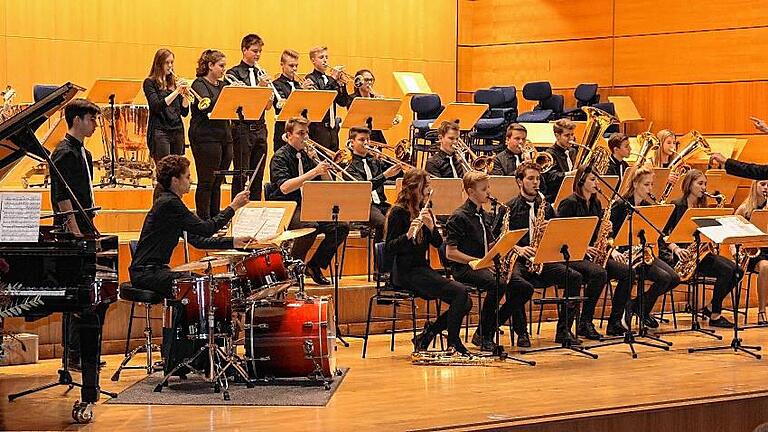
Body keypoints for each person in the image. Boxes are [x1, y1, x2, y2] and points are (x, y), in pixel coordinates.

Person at [129, 155, 251, 373]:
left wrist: (232, 241)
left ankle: (197, 356)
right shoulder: (169, 204)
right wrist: (233, 206)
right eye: (187, 176)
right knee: (199, 287)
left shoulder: (170, 203)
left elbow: (197, 239)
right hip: (146, 273)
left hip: (155, 270)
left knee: (200, 285)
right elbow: (206, 228)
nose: (190, 180)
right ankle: (197, 357)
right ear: (175, 180)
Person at [49, 98, 106, 409]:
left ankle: (83, 355)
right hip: (74, 231)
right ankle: (75, 355)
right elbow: (62, 199)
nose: (96, 125)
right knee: (78, 294)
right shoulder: (64, 152)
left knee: (84, 295)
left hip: (87, 223)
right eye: (92, 119)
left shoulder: (84, 152)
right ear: (78, 119)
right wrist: (74, 232)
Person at [384, 169, 472, 354]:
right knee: (461, 293)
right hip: (405, 272)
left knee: (465, 301)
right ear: (415, 188)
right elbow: (389, 248)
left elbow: (438, 244)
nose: (429, 189)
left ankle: (428, 334)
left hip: (421, 269)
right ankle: (453, 342)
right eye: (427, 185)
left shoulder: (424, 210)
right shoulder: (398, 213)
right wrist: (407, 236)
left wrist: (432, 227)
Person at [445, 171, 533, 350]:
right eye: (484, 189)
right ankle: (485, 335)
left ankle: (487, 328)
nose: (488, 192)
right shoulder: (459, 216)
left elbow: (489, 242)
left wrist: (507, 243)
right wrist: (477, 261)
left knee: (525, 288)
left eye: (488, 188)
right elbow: (450, 253)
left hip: (484, 264)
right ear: (470, 192)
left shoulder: (483, 214)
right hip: (465, 267)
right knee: (498, 283)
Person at [499, 162, 585, 344]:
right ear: (519, 181)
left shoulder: (546, 207)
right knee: (516, 282)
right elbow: (499, 239)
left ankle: (563, 330)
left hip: (542, 259)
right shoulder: (508, 208)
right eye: (530, 178)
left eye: (538, 178)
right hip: (519, 259)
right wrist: (519, 248)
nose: (536, 182)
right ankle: (521, 332)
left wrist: (550, 230)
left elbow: (560, 236)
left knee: (574, 277)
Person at [267, 117, 350, 285]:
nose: (305, 138)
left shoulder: (307, 156)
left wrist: (319, 164)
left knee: (341, 226)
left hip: (309, 204)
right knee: (310, 226)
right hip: (287, 206)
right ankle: (294, 268)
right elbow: (285, 187)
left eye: (307, 133)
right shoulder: (279, 157)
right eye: (300, 133)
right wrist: (313, 172)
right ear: (289, 135)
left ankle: (314, 265)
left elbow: (328, 184)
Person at [557, 165, 633, 337]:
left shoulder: (596, 202)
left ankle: (614, 322)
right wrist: (583, 248)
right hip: (571, 255)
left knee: (628, 272)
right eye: (592, 179)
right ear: (581, 180)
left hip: (591, 254)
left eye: (596, 179)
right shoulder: (569, 203)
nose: (596, 183)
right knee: (599, 273)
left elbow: (599, 232)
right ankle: (585, 322)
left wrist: (608, 246)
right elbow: (560, 234)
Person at [659, 169, 739, 328]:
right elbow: (661, 234)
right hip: (681, 255)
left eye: (705, 184)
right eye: (700, 183)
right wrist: (676, 249)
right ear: (689, 184)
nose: (704, 187)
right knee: (727, 270)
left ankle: (710, 308)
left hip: (700, 254)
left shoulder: (703, 206)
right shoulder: (676, 205)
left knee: (738, 271)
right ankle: (715, 315)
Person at [609, 166, 681, 329]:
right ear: (635, 184)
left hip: (641, 253)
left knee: (674, 278)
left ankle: (638, 306)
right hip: (623, 255)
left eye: (651, 185)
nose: (650, 188)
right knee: (663, 278)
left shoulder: (647, 206)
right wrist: (613, 250)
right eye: (646, 185)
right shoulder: (620, 205)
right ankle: (630, 313)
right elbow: (608, 231)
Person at [225, 33, 273, 200]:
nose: (258, 55)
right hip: (242, 128)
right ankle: (236, 213)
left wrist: (268, 92)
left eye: (260, 51)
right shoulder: (233, 73)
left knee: (258, 175)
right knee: (241, 174)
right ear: (244, 50)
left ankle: (255, 212)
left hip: (260, 128)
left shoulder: (261, 72)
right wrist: (260, 88)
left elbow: (267, 107)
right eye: (254, 51)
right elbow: (242, 102)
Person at [189, 49, 233, 219]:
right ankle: (204, 220)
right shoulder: (199, 84)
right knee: (206, 181)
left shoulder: (223, 85)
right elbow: (206, 105)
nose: (224, 69)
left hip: (224, 135)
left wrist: (235, 93)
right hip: (205, 136)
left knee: (218, 181)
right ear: (210, 65)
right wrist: (229, 94)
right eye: (221, 66)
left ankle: (216, 219)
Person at [344, 126, 402, 243]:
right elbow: (364, 188)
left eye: (368, 140)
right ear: (352, 142)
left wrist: (397, 161)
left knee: (403, 217)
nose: (366, 143)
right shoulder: (349, 166)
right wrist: (385, 175)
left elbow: (398, 175)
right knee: (383, 223)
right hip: (363, 206)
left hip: (380, 203)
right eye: (361, 140)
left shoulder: (375, 161)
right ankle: (380, 258)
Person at [143, 48, 189, 168]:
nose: (170, 66)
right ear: (159, 64)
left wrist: (185, 95)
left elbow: (184, 112)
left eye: (172, 62)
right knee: (164, 169)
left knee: (177, 170)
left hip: (177, 129)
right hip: (160, 131)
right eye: (167, 63)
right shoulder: (149, 83)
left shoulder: (174, 83)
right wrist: (176, 92)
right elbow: (156, 106)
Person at [305, 46, 351, 152]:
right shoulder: (310, 78)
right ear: (313, 60)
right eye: (321, 57)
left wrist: (342, 85)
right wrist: (333, 79)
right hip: (318, 128)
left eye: (326, 57)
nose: (325, 60)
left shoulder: (330, 80)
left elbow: (343, 102)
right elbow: (322, 98)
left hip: (333, 128)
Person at [735, 180, 768, 324]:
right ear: (754, 186)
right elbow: (733, 233)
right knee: (765, 267)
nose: (766, 187)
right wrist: (734, 251)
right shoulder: (744, 209)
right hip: (753, 253)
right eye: (763, 184)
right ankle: (761, 311)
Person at [272, 49, 303, 152]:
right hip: (283, 129)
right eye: (291, 65)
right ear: (282, 65)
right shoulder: (276, 84)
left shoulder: (298, 85)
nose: (294, 69)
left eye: (296, 66)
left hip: (298, 130)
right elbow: (282, 105)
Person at [345, 69, 388, 143]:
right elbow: (355, 119)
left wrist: (382, 105)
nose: (370, 83)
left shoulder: (375, 97)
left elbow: (381, 119)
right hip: (358, 136)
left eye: (371, 80)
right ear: (358, 82)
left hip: (375, 136)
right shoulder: (352, 99)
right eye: (366, 80)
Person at [542, 118, 578, 202]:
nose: (571, 138)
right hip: (555, 196)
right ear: (557, 136)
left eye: (572, 134)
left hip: (573, 195)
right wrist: (569, 174)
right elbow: (550, 177)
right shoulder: (549, 154)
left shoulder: (573, 151)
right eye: (567, 135)